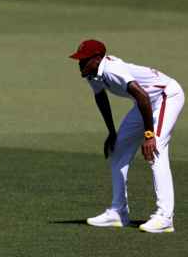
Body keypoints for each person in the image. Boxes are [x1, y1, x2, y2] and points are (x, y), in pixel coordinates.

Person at [70, 39, 184, 233]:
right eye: (79, 59)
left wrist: (149, 135)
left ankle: (165, 217)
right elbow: (101, 97)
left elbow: (142, 95)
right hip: (144, 104)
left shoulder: (112, 70)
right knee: (118, 151)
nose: (80, 64)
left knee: (154, 150)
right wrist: (112, 132)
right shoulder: (92, 73)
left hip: (166, 96)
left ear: (97, 59)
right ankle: (118, 212)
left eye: (84, 60)